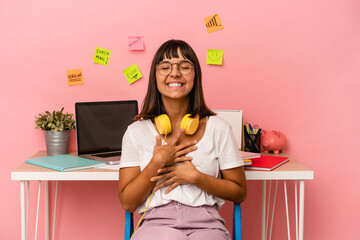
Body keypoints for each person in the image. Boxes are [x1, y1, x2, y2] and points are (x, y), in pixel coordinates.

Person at [118, 39, 247, 240]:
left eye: (185, 67)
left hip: (207, 225)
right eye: (165, 67)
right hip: (156, 223)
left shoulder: (219, 128)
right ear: (155, 76)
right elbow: (128, 203)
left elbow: (240, 192)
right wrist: (157, 163)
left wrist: (195, 178)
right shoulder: (136, 132)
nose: (175, 73)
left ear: (196, 76)